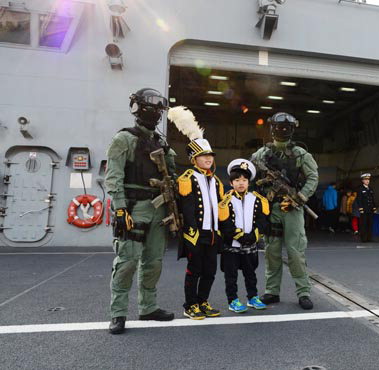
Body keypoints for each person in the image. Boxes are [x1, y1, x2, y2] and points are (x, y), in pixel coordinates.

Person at [106, 88, 176, 334]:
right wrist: (120, 208)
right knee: (127, 261)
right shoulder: (124, 139)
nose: (157, 113)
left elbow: (173, 174)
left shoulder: (162, 143)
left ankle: (148, 307)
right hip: (134, 207)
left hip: (159, 208)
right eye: (153, 107)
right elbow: (113, 177)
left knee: (153, 262)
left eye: (160, 109)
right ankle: (118, 313)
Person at [251, 112, 319, 310]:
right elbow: (250, 175)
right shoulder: (261, 154)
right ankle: (272, 291)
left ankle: (303, 292)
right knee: (271, 250)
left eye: (286, 127)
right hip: (270, 208)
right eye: (278, 127)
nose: (281, 130)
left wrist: (299, 198)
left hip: (293, 209)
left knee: (295, 252)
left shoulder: (301, 154)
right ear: (272, 128)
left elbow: (313, 177)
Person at [170, 106, 224, 320]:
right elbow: (188, 207)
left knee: (210, 271)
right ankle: (190, 304)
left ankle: (203, 301)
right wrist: (190, 232)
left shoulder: (216, 180)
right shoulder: (188, 178)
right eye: (203, 156)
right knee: (195, 270)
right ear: (194, 158)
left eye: (210, 155)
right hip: (196, 234)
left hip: (213, 234)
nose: (208, 159)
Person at [218, 159, 269, 313]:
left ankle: (252, 297)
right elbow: (224, 223)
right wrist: (239, 236)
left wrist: (253, 236)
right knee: (231, 275)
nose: (241, 183)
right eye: (237, 180)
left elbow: (263, 220)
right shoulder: (225, 200)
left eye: (244, 180)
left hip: (250, 245)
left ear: (249, 182)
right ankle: (232, 300)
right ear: (231, 182)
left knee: (250, 273)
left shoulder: (257, 199)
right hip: (231, 245)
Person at [356, 173, 376, 243]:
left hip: (370, 209)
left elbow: (372, 199)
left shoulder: (370, 188)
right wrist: (360, 208)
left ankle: (369, 238)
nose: (367, 181)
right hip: (364, 209)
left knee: (370, 224)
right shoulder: (360, 189)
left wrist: (374, 207)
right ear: (362, 181)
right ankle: (363, 238)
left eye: (368, 179)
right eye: (366, 179)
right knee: (363, 224)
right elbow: (359, 199)